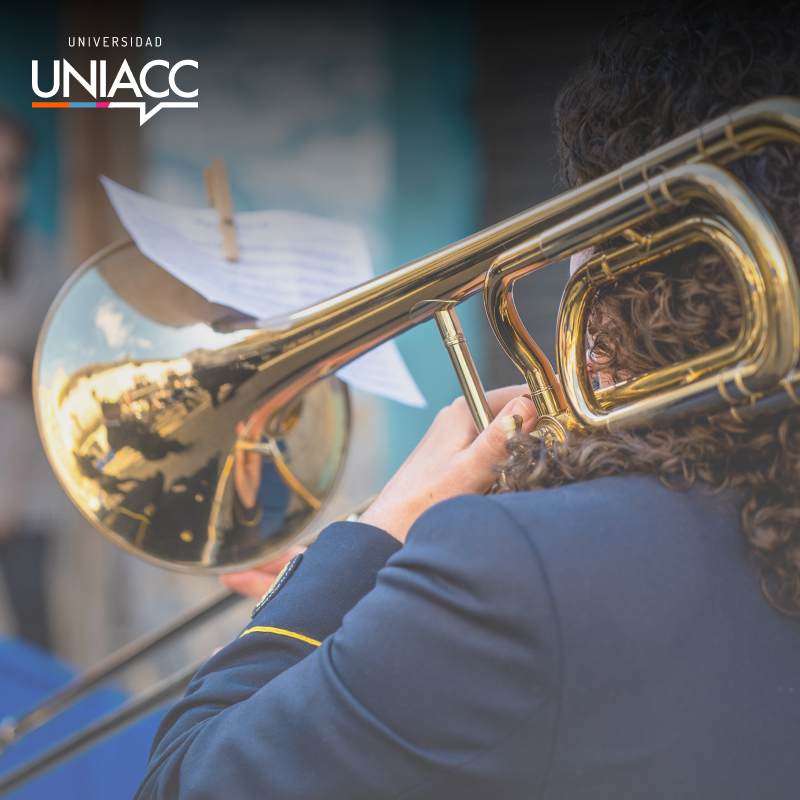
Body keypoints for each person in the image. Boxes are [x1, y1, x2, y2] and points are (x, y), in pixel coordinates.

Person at [134, 3, 800, 798]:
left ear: (640, 253)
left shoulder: (509, 567)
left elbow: (185, 781)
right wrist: (382, 594)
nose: (566, 249)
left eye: (582, 207)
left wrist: (384, 526)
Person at [0, 112, 65, 651]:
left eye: (9, 172)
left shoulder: (43, 268)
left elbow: (65, 372)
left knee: (33, 624)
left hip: (26, 485)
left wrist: (21, 374)